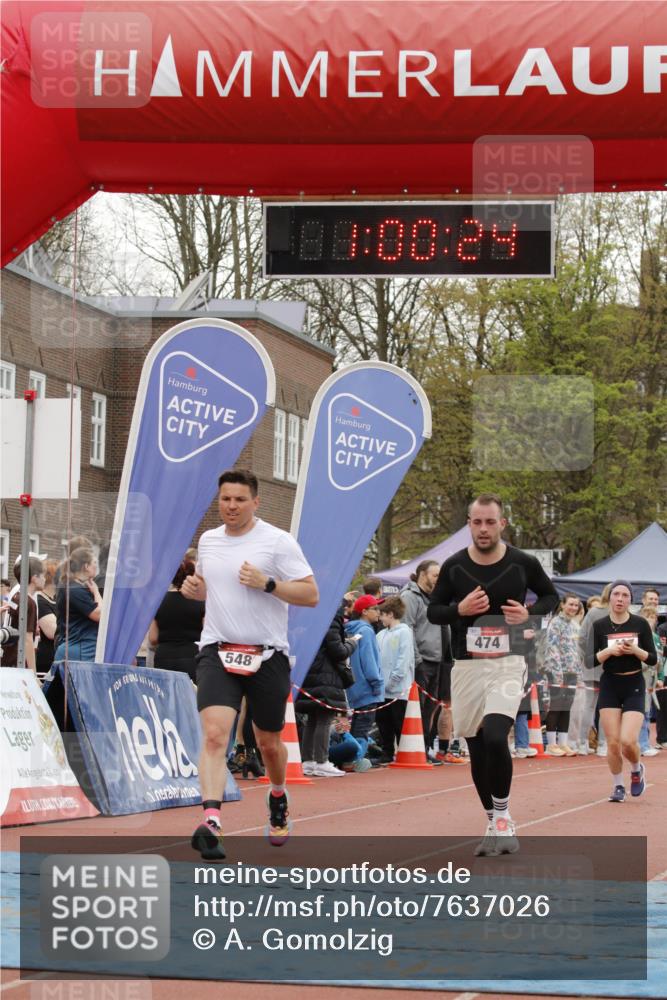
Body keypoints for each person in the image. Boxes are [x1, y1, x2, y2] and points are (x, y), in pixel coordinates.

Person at [181, 469, 318, 860]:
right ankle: (211, 821)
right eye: (225, 499)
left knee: (268, 743)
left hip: (267, 654)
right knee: (214, 734)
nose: (231, 506)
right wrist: (195, 589)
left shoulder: (277, 542)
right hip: (217, 649)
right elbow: (209, 588)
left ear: (255, 502)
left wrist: (268, 584)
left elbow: (310, 594)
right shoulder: (209, 540)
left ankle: (278, 796)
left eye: (240, 500)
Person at [427, 494, 559, 857]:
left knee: (497, 736)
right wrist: (459, 609)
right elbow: (434, 612)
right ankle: (492, 821)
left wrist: (529, 613)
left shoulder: (522, 563)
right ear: (469, 524)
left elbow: (551, 597)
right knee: (477, 747)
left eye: (490, 522)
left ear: (502, 524)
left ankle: (503, 819)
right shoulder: (454, 566)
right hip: (467, 664)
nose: (483, 529)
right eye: (477, 522)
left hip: (508, 661)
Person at [593, 581, 658, 803]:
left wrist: (636, 650)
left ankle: (637, 768)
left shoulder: (640, 623)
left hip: (634, 683)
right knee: (612, 742)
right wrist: (609, 651)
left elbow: (653, 659)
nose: (620, 599)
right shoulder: (600, 625)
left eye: (625, 595)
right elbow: (590, 660)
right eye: (616, 594)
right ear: (609, 597)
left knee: (628, 741)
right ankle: (618, 785)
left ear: (631, 599)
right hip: (610, 684)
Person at [295, 606, 358, 777]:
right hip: (326, 675)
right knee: (324, 718)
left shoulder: (310, 614)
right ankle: (321, 761)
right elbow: (338, 651)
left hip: (310, 671)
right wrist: (352, 643)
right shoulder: (331, 616)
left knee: (312, 720)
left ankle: (308, 761)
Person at [401, 560, 449, 761]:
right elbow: (407, 628)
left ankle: (426, 747)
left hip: (438, 659)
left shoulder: (435, 598)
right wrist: (417, 659)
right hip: (422, 660)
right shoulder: (410, 597)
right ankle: (416, 749)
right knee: (418, 708)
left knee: (431, 708)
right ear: (422, 574)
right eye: (435, 575)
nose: (439, 579)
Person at [149, 557, 205, 681]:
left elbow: (153, 638)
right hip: (191, 656)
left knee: (165, 693)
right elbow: (207, 634)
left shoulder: (158, 601)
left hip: (164, 657)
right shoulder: (200, 601)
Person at [344, 595, 385, 761]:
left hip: (354, 685)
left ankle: (351, 757)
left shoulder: (350, 629)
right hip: (367, 686)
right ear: (364, 611)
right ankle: (355, 759)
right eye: (375, 608)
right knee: (363, 726)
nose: (378, 612)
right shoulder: (366, 631)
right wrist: (377, 683)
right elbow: (369, 660)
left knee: (356, 724)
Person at [375, 596, 415, 762]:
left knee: (399, 723)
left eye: (382, 614)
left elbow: (403, 659)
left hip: (399, 690)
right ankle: (387, 753)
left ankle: (403, 753)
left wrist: (393, 681)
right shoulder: (380, 634)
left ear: (390, 614)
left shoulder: (404, 632)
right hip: (382, 690)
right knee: (383, 723)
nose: (380, 618)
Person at [543, 593, 583, 756]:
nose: (573, 608)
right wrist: (557, 673)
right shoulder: (555, 623)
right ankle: (551, 744)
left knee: (567, 707)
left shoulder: (575, 625)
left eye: (576, 605)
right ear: (563, 604)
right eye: (570, 604)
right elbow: (552, 648)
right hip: (557, 671)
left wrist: (578, 672)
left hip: (572, 672)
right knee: (556, 706)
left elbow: (577, 650)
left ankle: (563, 743)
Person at [578, 584, 612, 756]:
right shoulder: (603, 613)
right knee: (606, 707)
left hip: (594, 665)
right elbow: (582, 638)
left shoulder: (592, 613)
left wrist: (588, 655)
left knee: (589, 706)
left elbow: (581, 638)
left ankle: (582, 743)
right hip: (608, 666)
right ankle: (602, 744)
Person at [1, 555, 44, 671]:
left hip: (8, 657)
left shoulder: (16, 596)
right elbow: (27, 639)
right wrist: (33, 672)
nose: (45, 579)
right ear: (35, 578)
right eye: (43, 575)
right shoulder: (28, 602)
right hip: (19, 661)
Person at [637, 606, 661, 757]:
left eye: (652, 617)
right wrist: (650, 663)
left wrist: (660, 677)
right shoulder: (638, 637)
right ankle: (642, 745)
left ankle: (644, 743)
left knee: (647, 711)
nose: (650, 620)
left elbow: (660, 659)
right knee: (642, 712)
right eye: (647, 617)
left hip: (652, 678)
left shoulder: (655, 638)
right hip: (641, 677)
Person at [35, 560, 58, 674]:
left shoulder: (55, 599)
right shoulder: (40, 601)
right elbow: (52, 631)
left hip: (55, 657)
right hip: (46, 661)